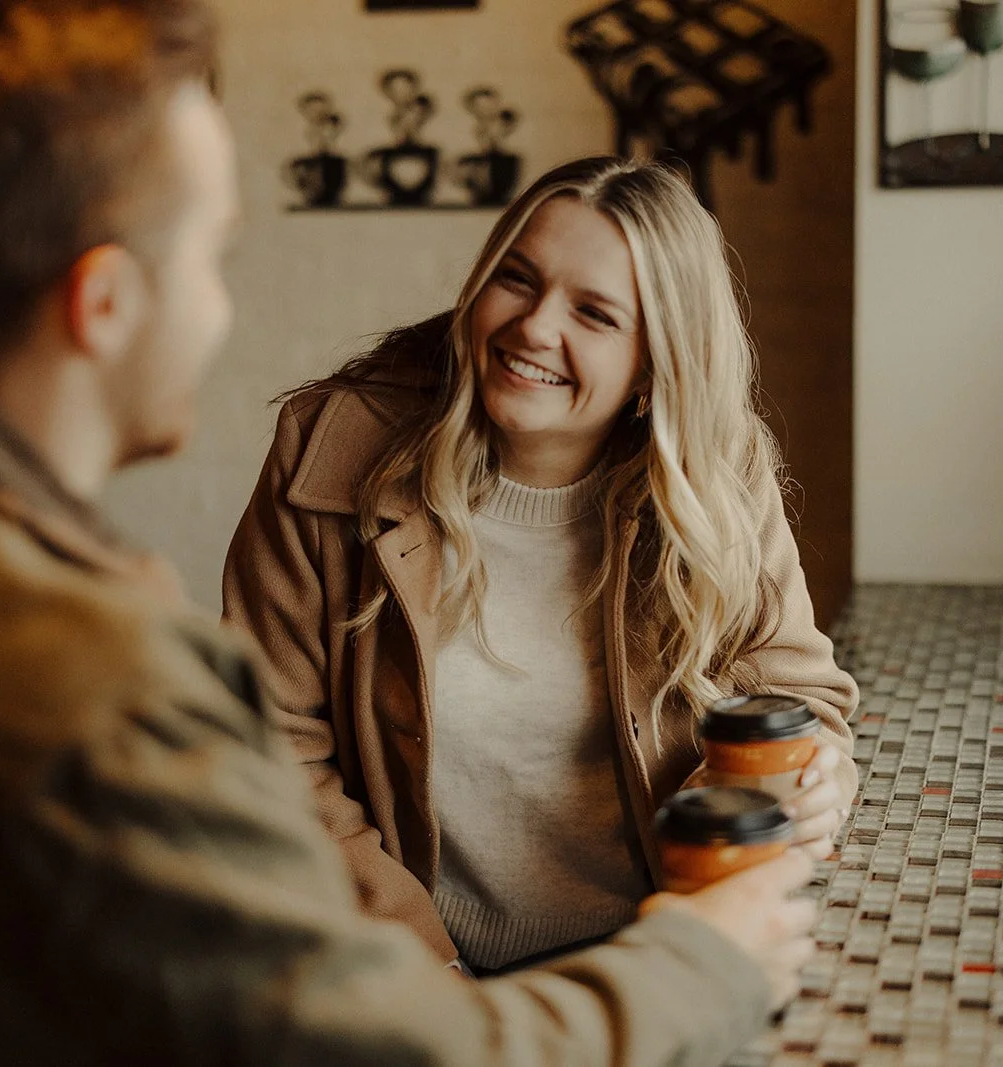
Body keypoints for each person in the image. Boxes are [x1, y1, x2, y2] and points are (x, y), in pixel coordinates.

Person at [0, 3, 817, 1064]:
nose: (222, 306)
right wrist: (707, 959)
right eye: (212, 255)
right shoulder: (94, 696)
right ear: (104, 305)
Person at [224, 155, 860, 975]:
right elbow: (269, 749)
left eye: (594, 313)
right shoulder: (330, 453)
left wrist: (814, 771)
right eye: (517, 280)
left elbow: (792, 695)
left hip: (650, 964)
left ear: (655, 364)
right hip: (411, 974)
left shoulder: (715, 474)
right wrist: (424, 976)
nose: (533, 328)